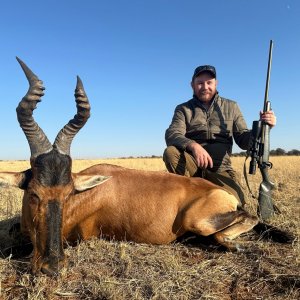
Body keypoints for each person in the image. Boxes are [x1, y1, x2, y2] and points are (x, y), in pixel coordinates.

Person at [163, 65, 276, 206]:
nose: (205, 87)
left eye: (209, 82)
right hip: (193, 168)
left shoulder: (231, 106)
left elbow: (243, 140)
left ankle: (210, 196)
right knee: (171, 153)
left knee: (234, 205)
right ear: (192, 85)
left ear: (216, 83)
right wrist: (193, 146)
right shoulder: (183, 109)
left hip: (221, 169)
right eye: (200, 83)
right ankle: (188, 196)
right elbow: (173, 134)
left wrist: (263, 128)